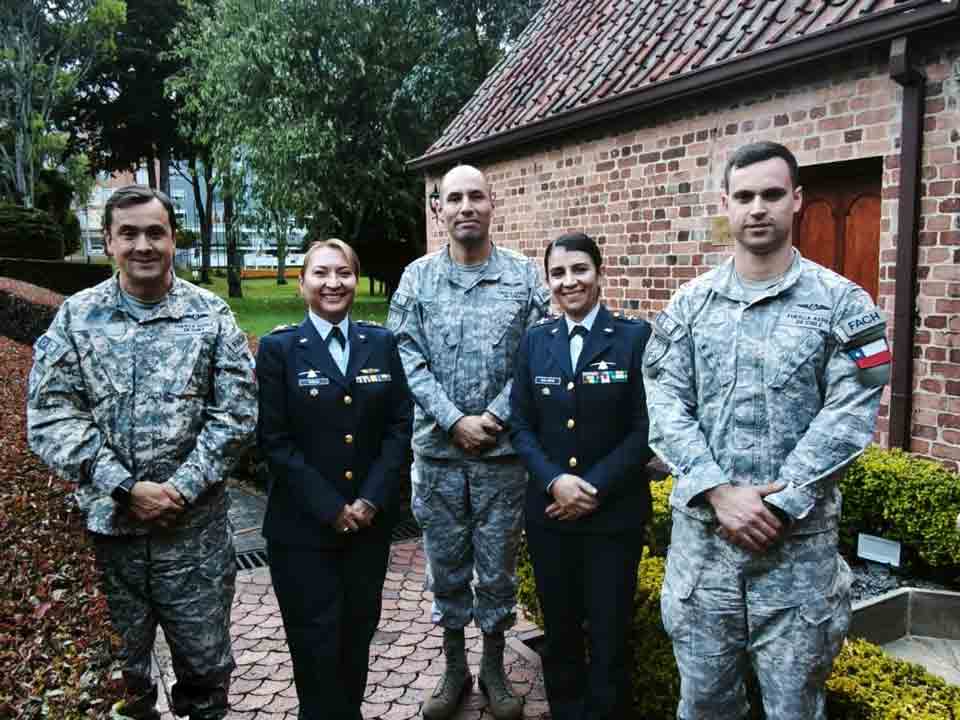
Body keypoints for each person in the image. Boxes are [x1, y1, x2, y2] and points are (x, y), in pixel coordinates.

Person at [643, 141, 890, 719]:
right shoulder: (689, 306)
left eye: (773, 194)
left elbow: (851, 409)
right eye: (745, 196)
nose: (758, 208)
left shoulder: (843, 305)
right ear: (725, 204)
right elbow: (664, 402)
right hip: (705, 559)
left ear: (797, 200)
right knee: (704, 706)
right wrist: (718, 491)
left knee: (795, 710)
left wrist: (782, 501)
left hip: (796, 562)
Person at [27, 185, 258, 720]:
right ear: (108, 241)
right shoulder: (77, 318)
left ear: (174, 239)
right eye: (128, 233)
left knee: (206, 679)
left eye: (156, 232)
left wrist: (179, 489)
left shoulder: (210, 315)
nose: (143, 245)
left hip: (194, 541)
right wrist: (125, 487)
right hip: (110, 540)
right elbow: (51, 414)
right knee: (121, 687)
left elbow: (237, 414)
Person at [387, 164, 550, 720]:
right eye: (453, 198)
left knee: (498, 568)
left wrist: (495, 417)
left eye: (475, 196)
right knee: (446, 566)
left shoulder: (524, 277)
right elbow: (406, 355)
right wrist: (454, 419)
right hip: (438, 455)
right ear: (439, 209)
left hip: (502, 458)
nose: (465, 207)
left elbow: (535, 356)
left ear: (492, 202)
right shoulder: (417, 279)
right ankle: (454, 667)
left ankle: (494, 668)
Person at [256, 239, 413, 720]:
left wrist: (370, 500)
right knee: (315, 643)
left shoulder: (381, 343)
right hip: (302, 530)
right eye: (321, 273)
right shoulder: (279, 349)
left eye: (343, 272)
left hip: (367, 528)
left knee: (357, 634)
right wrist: (332, 508)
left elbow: (399, 426)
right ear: (302, 283)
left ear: (355, 280)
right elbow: (274, 441)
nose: (333, 283)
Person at [509, 232, 653, 720]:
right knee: (561, 630)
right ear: (548, 281)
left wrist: (593, 487)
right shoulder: (536, 341)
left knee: (611, 630)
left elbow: (645, 428)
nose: (569, 281)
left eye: (579, 269)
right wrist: (555, 481)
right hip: (550, 515)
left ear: (599, 272)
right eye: (558, 273)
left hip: (613, 515)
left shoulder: (634, 338)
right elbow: (521, 425)